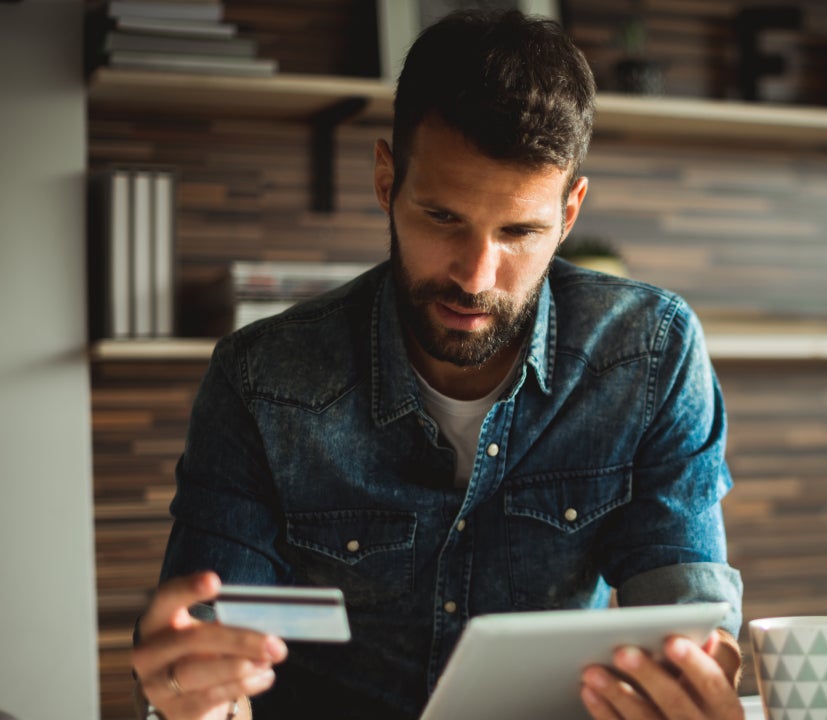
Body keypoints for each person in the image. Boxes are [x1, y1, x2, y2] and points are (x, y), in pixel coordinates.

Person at [129, 9, 744, 720]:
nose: (477, 277)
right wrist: (188, 691)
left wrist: (700, 679)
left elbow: (688, 613)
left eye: (520, 231)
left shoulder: (650, 353)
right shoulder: (261, 380)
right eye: (443, 218)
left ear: (570, 213)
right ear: (387, 180)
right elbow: (210, 653)